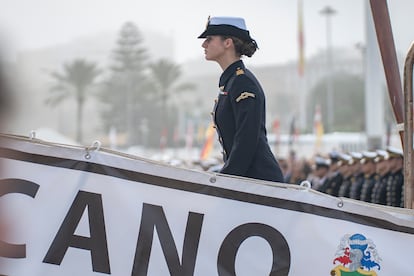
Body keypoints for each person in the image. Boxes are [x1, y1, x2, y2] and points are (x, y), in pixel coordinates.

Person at [198, 16, 284, 182]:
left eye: (209, 39)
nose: (204, 44)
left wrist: (226, 180)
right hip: (247, 181)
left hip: (259, 182)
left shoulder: (242, 82)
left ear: (227, 43)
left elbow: (246, 140)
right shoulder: (233, 81)